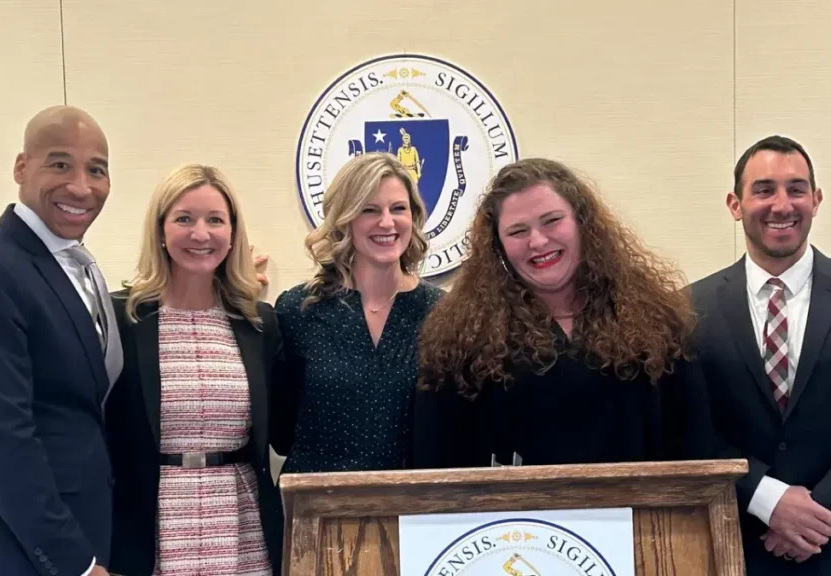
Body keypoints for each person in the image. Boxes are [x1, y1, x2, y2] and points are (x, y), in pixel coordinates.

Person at [689, 135, 831, 574]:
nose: (782, 204)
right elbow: (689, 427)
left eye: (796, 189)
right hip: (737, 541)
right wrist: (768, 500)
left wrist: (819, 512)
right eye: (763, 190)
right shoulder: (688, 309)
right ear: (734, 204)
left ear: (815, 200)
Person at [413, 158, 718, 469]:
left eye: (552, 220)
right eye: (518, 231)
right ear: (498, 247)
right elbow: (435, 465)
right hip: (515, 518)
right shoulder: (460, 339)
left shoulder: (657, 321)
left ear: (582, 222)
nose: (538, 241)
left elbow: (695, 446)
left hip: (641, 516)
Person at [0, 106, 120, 575]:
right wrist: (78, 564)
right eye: (59, 164)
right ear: (21, 167)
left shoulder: (76, 266)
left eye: (96, 170)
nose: (81, 186)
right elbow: (3, 449)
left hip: (80, 532)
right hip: (11, 548)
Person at [102, 164, 283, 575]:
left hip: (242, 523)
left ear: (232, 233)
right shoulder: (121, 318)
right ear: (161, 231)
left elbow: (288, 419)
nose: (201, 234)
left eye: (215, 220)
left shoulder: (259, 324)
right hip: (149, 523)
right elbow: (74, 405)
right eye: (184, 218)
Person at [272, 152, 445, 474]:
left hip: (414, 510)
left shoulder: (442, 312)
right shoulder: (298, 310)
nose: (387, 222)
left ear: (414, 216)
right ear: (345, 219)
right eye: (369, 210)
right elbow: (281, 431)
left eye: (398, 209)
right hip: (318, 508)